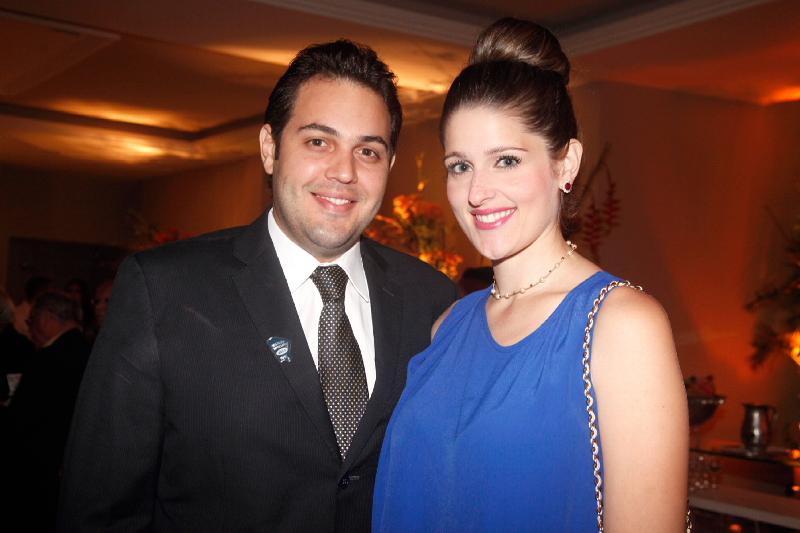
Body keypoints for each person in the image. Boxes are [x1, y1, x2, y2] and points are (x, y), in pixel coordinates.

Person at [58, 40, 458, 533]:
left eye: (368, 151)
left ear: (389, 166)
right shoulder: (164, 289)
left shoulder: (432, 299)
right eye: (319, 142)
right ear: (270, 148)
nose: (345, 172)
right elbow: (101, 508)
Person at [373, 18, 689, 532]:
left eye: (506, 160)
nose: (477, 192)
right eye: (460, 166)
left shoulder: (622, 325)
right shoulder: (448, 324)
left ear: (566, 164)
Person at [6, 291, 90, 532]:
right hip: (72, 467)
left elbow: (20, 421)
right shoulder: (90, 351)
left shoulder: (48, 359)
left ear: (46, 319)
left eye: (31, 321)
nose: (29, 329)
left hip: (37, 469)